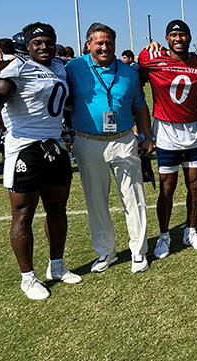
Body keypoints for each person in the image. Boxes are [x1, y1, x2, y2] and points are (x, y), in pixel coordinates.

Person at [0, 22, 81, 300]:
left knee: (58, 209)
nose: (43, 47)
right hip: (25, 148)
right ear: (28, 46)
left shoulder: (60, 66)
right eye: (37, 43)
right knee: (23, 214)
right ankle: (28, 277)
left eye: (48, 42)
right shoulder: (18, 67)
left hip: (55, 145)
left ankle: (56, 266)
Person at [66, 22, 154, 273]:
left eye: (109, 43)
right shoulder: (74, 67)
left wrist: (147, 136)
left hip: (124, 140)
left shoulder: (128, 72)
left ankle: (139, 251)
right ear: (88, 44)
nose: (104, 47)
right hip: (87, 141)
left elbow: (140, 107)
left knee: (134, 197)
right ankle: (106, 252)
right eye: (99, 43)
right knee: (95, 200)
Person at [137, 19, 197, 257]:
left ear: (189, 38)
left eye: (183, 35)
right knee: (167, 187)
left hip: (193, 130)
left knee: (195, 184)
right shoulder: (151, 57)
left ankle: (190, 231)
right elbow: (138, 75)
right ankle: (164, 235)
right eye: (174, 35)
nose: (178, 39)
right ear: (167, 38)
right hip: (167, 132)